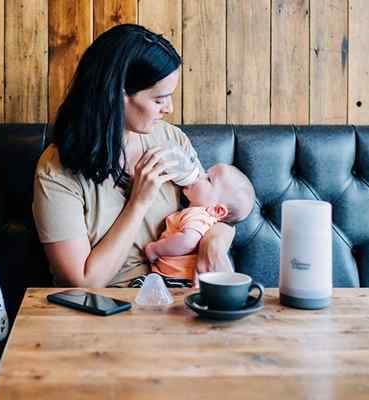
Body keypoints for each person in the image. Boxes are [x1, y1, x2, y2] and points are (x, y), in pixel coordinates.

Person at [32, 24, 235, 288]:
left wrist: (214, 241)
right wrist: (138, 202)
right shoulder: (57, 170)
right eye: (159, 99)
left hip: (177, 296)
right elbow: (82, 282)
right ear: (117, 95)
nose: (169, 109)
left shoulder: (170, 139)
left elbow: (213, 209)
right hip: (106, 308)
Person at [141, 164, 255, 288]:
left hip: (176, 279)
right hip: (175, 277)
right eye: (205, 172)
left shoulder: (198, 215)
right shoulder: (203, 218)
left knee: (137, 287)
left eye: (208, 179)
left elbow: (187, 241)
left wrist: (155, 249)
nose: (200, 174)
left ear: (218, 210)